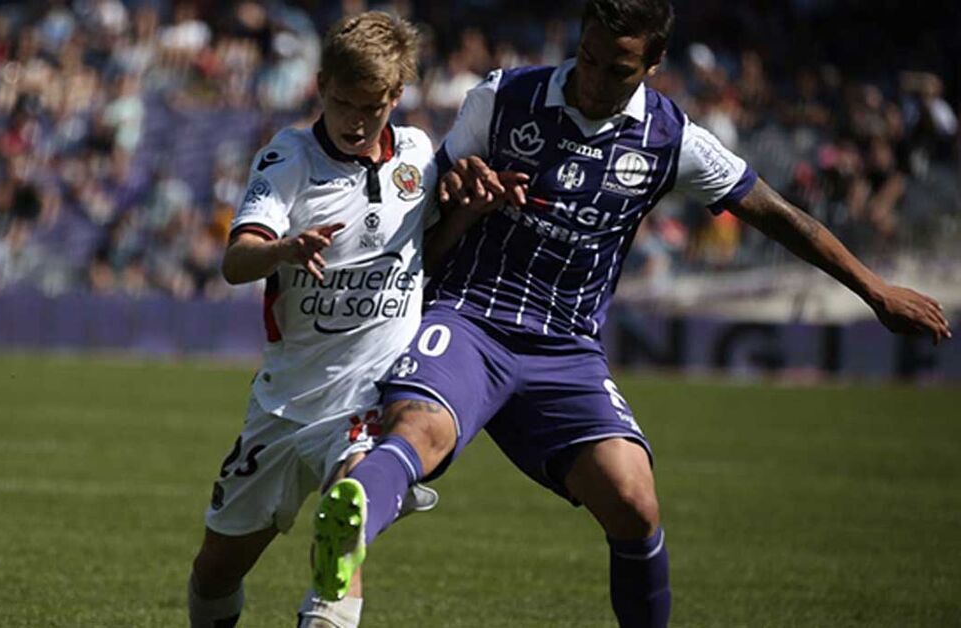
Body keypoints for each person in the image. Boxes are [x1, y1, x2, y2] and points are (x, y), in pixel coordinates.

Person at [310, 2, 953, 627]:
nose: (592, 80)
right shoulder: (503, 98)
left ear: (653, 62)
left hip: (566, 349)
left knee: (635, 502)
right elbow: (426, 213)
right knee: (418, 430)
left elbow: (778, 216)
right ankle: (353, 518)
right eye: (586, 58)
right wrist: (460, 191)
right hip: (470, 317)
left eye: (616, 70)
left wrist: (874, 289)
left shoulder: (674, 140)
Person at [188, 12, 440, 628]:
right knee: (214, 574)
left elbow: (443, 238)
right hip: (284, 404)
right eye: (343, 103)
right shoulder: (288, 158)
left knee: (345, 523)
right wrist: (284, 249)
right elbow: (235, 261)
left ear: (396, 96)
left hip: (366, 402)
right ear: (321, 85)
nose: (355, 121)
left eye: (371, 108)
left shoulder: (419, 155)